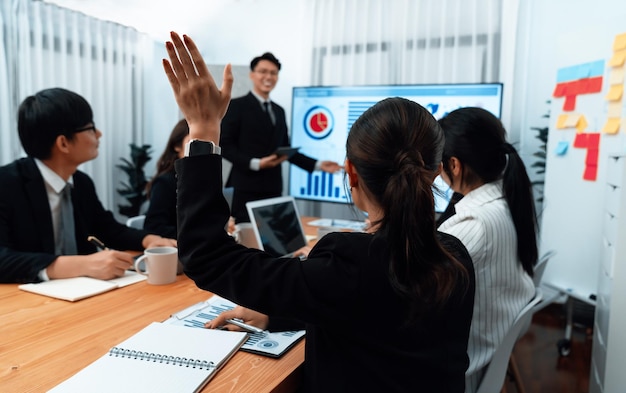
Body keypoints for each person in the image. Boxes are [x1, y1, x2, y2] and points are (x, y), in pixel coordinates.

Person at [164, 32, 475, 392]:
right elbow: (371, 318)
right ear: (437, 172)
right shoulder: (455, 256)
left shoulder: (346, 265)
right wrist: (275, 315)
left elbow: (207, 257)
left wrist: (202, 132)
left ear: (351, 173)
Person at [0, 87, 176, 284]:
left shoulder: (81, 183)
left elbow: (108, 230)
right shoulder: (6, 184)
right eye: (91, 128)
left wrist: (149, 240)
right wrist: (81, 264)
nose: (99, 134)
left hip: (84, 294)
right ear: (63, 143)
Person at [436, 107, 538, 392]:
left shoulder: (472, 225)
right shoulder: (502, 202)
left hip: (465, 369)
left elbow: (411, 288)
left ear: (454, 165)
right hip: (491, 347)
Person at [220, 51, 341, 223]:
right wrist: (256, 163)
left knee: (273, 243)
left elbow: (286, 149)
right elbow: (224, 145)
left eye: (273, 73)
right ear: (252, 75)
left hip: (273, 189)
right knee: (245, 243)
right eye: (263, 71)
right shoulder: (236, 106)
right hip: (244, 189)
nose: (268, 76)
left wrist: (318, 165)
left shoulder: (279, 111)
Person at [144, 119, 191, 239]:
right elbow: (154, 227)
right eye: (193, 143)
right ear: (176, 146)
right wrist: (195, 236)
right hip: (176, 250)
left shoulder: (203, 179)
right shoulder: (165, 182)